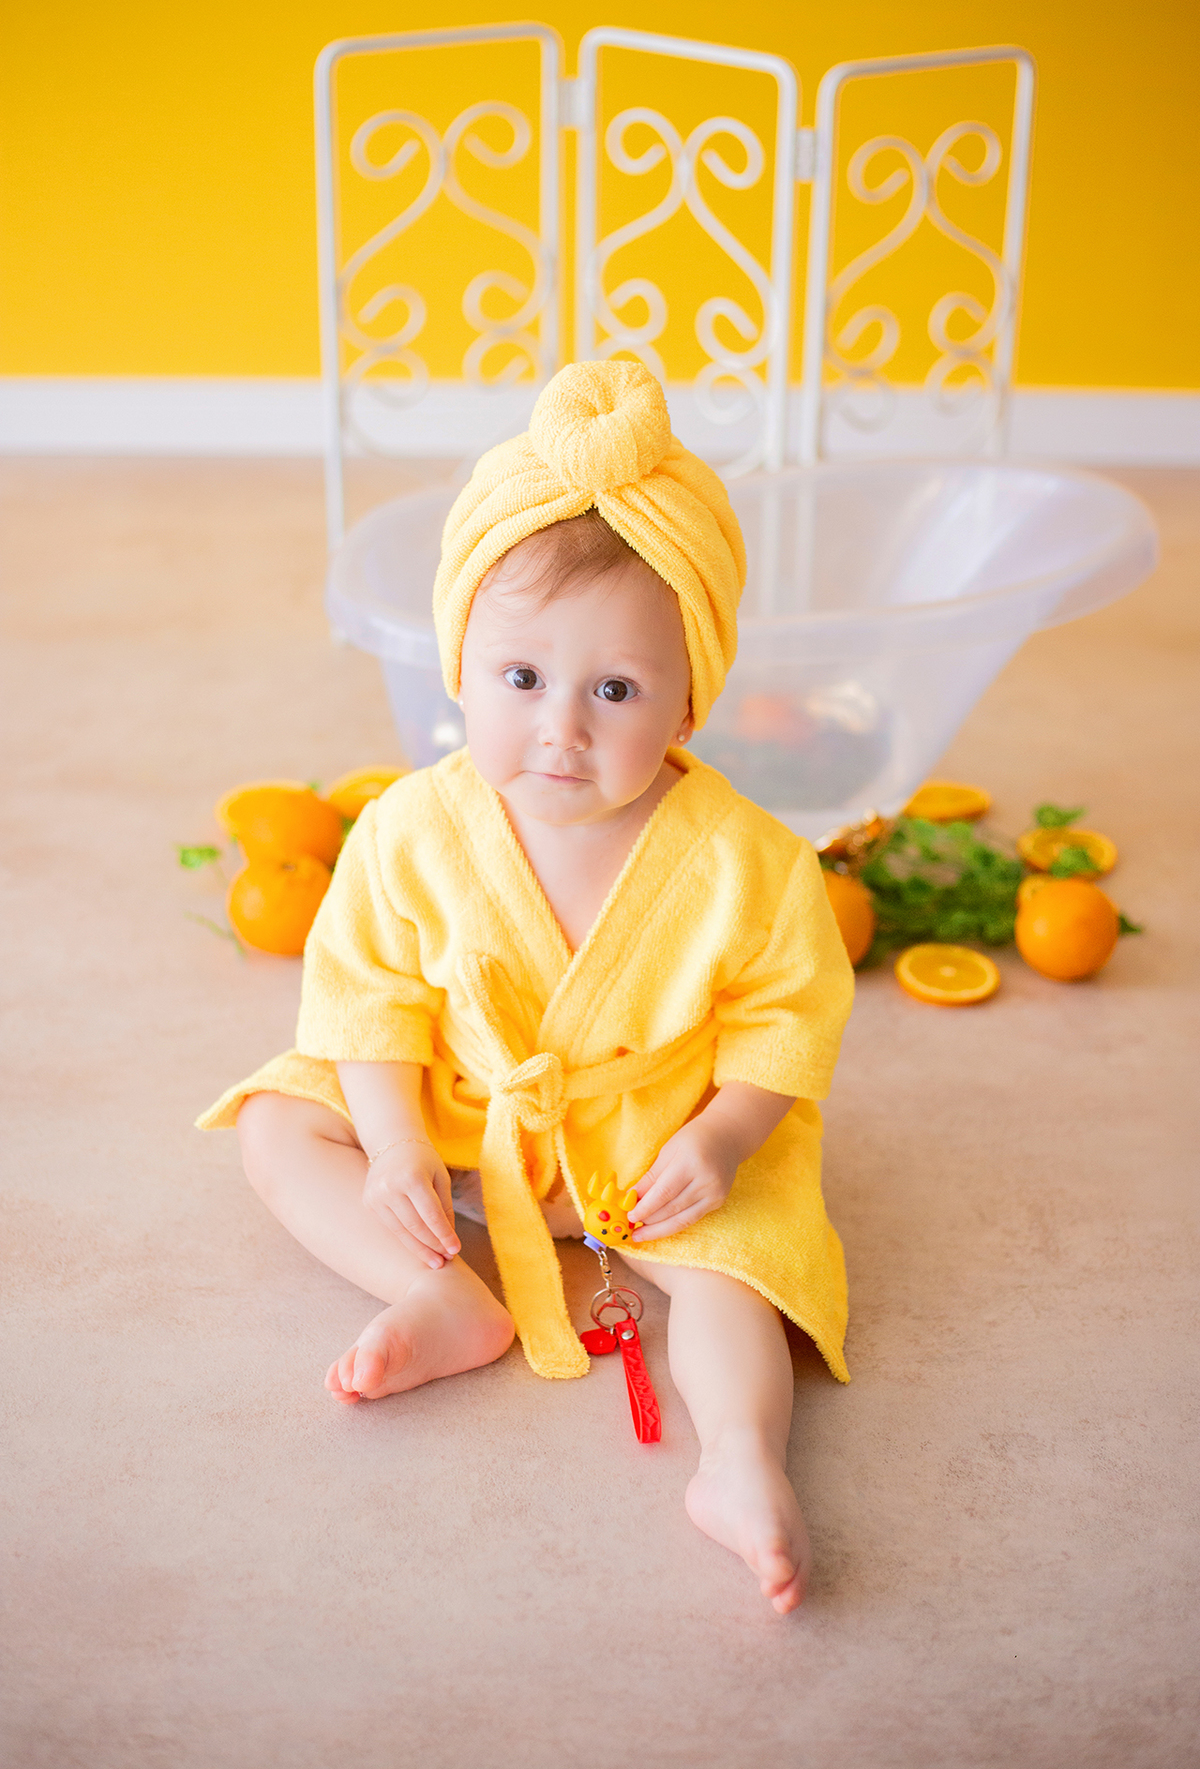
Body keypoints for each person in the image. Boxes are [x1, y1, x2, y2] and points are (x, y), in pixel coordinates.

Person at [198, 361, 855, 1613]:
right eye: (521, 680)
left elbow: (789, 1009)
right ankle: (440, 1295)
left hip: (651, 1136)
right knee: (284, 1124)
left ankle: (740, 1463)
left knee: (738, 1273)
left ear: (688, 692)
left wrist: (723, 1139)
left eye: (615, 690)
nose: (562, 728)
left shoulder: (745, 860)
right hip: (460, 1110)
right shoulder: (409, 830)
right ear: (459, 665)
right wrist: (393, 1146)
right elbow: (369, 996)